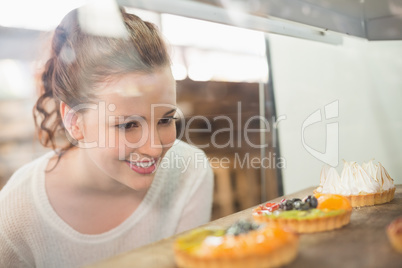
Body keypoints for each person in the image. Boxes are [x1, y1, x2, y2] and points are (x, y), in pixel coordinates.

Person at [0, 5, 213, 268]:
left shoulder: (190, 172)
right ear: (74, 121)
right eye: (128, 125)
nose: (155, 149)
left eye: (165, 119)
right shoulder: (16, 211)